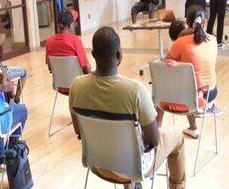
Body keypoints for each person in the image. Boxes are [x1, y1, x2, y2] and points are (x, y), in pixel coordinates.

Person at [69, 27, 186, 189]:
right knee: (178, 137)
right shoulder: (135, 91)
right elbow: (154, 141)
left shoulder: (76, 86)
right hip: (133, 167)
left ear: (93, 55)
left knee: (125, 139)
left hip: (98, 164)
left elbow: (78, 131)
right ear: (119, 55)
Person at [161, 5, 220, 139]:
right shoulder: (213, 40)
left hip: (189, 98)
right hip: (210, 95)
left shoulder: (180, 42)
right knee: (189, 83)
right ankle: (193, 128)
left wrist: (180, 64)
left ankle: (154, 140)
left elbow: (165, 65)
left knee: (162, 94)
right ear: (204, 22)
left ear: (187, 22)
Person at [45, 8, 90, 135]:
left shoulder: (49, 42)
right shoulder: (75, 41)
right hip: (77, 87)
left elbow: (50, 68)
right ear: (70, 26)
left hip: (60, 86)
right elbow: (86, 68)